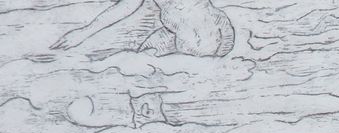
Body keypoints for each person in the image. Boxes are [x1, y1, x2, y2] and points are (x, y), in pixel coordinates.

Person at [53, 0, 235, 56]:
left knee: (140, 59)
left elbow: (125, 7)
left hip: (199, 38)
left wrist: (83, 33)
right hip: (218, 27)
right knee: (143, 53)